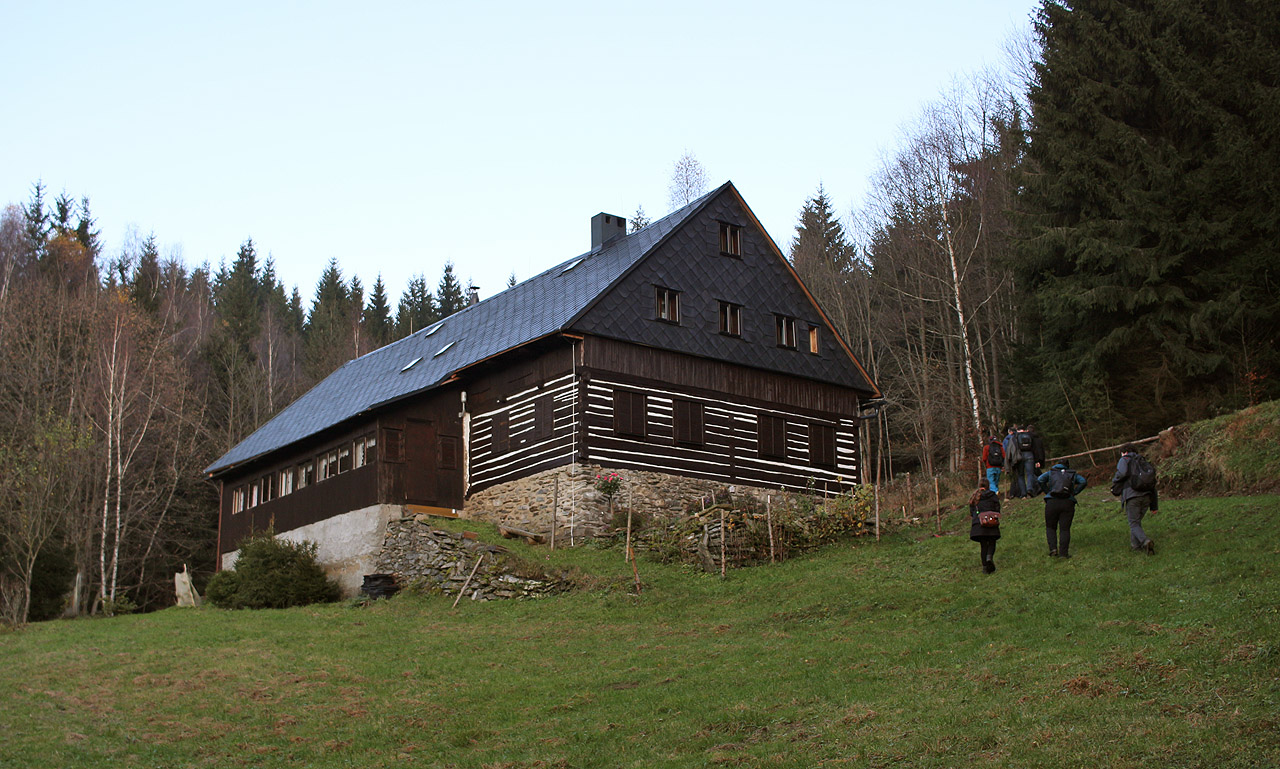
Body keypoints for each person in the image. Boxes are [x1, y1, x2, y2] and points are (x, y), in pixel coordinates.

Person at [1111, 443, 1159, 554]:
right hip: (1147, 496)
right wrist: (1154, 506)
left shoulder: (1125, 459)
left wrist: (1115, 481)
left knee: (1133, 523)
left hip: (1132, 496)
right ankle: (1136, 546)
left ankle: (1145, 541)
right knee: (1136, 522)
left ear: (1124, 452)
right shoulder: (1143, 461)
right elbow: (1152, 483)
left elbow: (1121, 473)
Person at [1037, 460, 1087, 558]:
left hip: (1052, 502)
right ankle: (1064, 553)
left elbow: (1040, 479)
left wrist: (1048, 491)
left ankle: (1053, 549)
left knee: (1050, 527)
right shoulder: (1072, 474)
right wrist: (1075, 492)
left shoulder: (1051, 472)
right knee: (1065, 529)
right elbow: (1083, 481)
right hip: (1067, 502)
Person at [968, 487, 1001, 574]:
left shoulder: (974, 496)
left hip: (978, 525)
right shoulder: (992, 495)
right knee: (992, 542)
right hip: (990, 522)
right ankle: (989, 557)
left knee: (983, 546)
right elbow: (997, 508)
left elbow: (972, 512)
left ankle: (985, 567)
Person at [1003, 425, 1025, 499]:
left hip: (1014, 460)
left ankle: (1014, 493)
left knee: (1014, 477)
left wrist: (1006, 464)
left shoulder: (1008, 439)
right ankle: (1022, 493)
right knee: (1021, 475)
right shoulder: (1020, 437)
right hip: (1022, 458)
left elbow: (1007, 451)